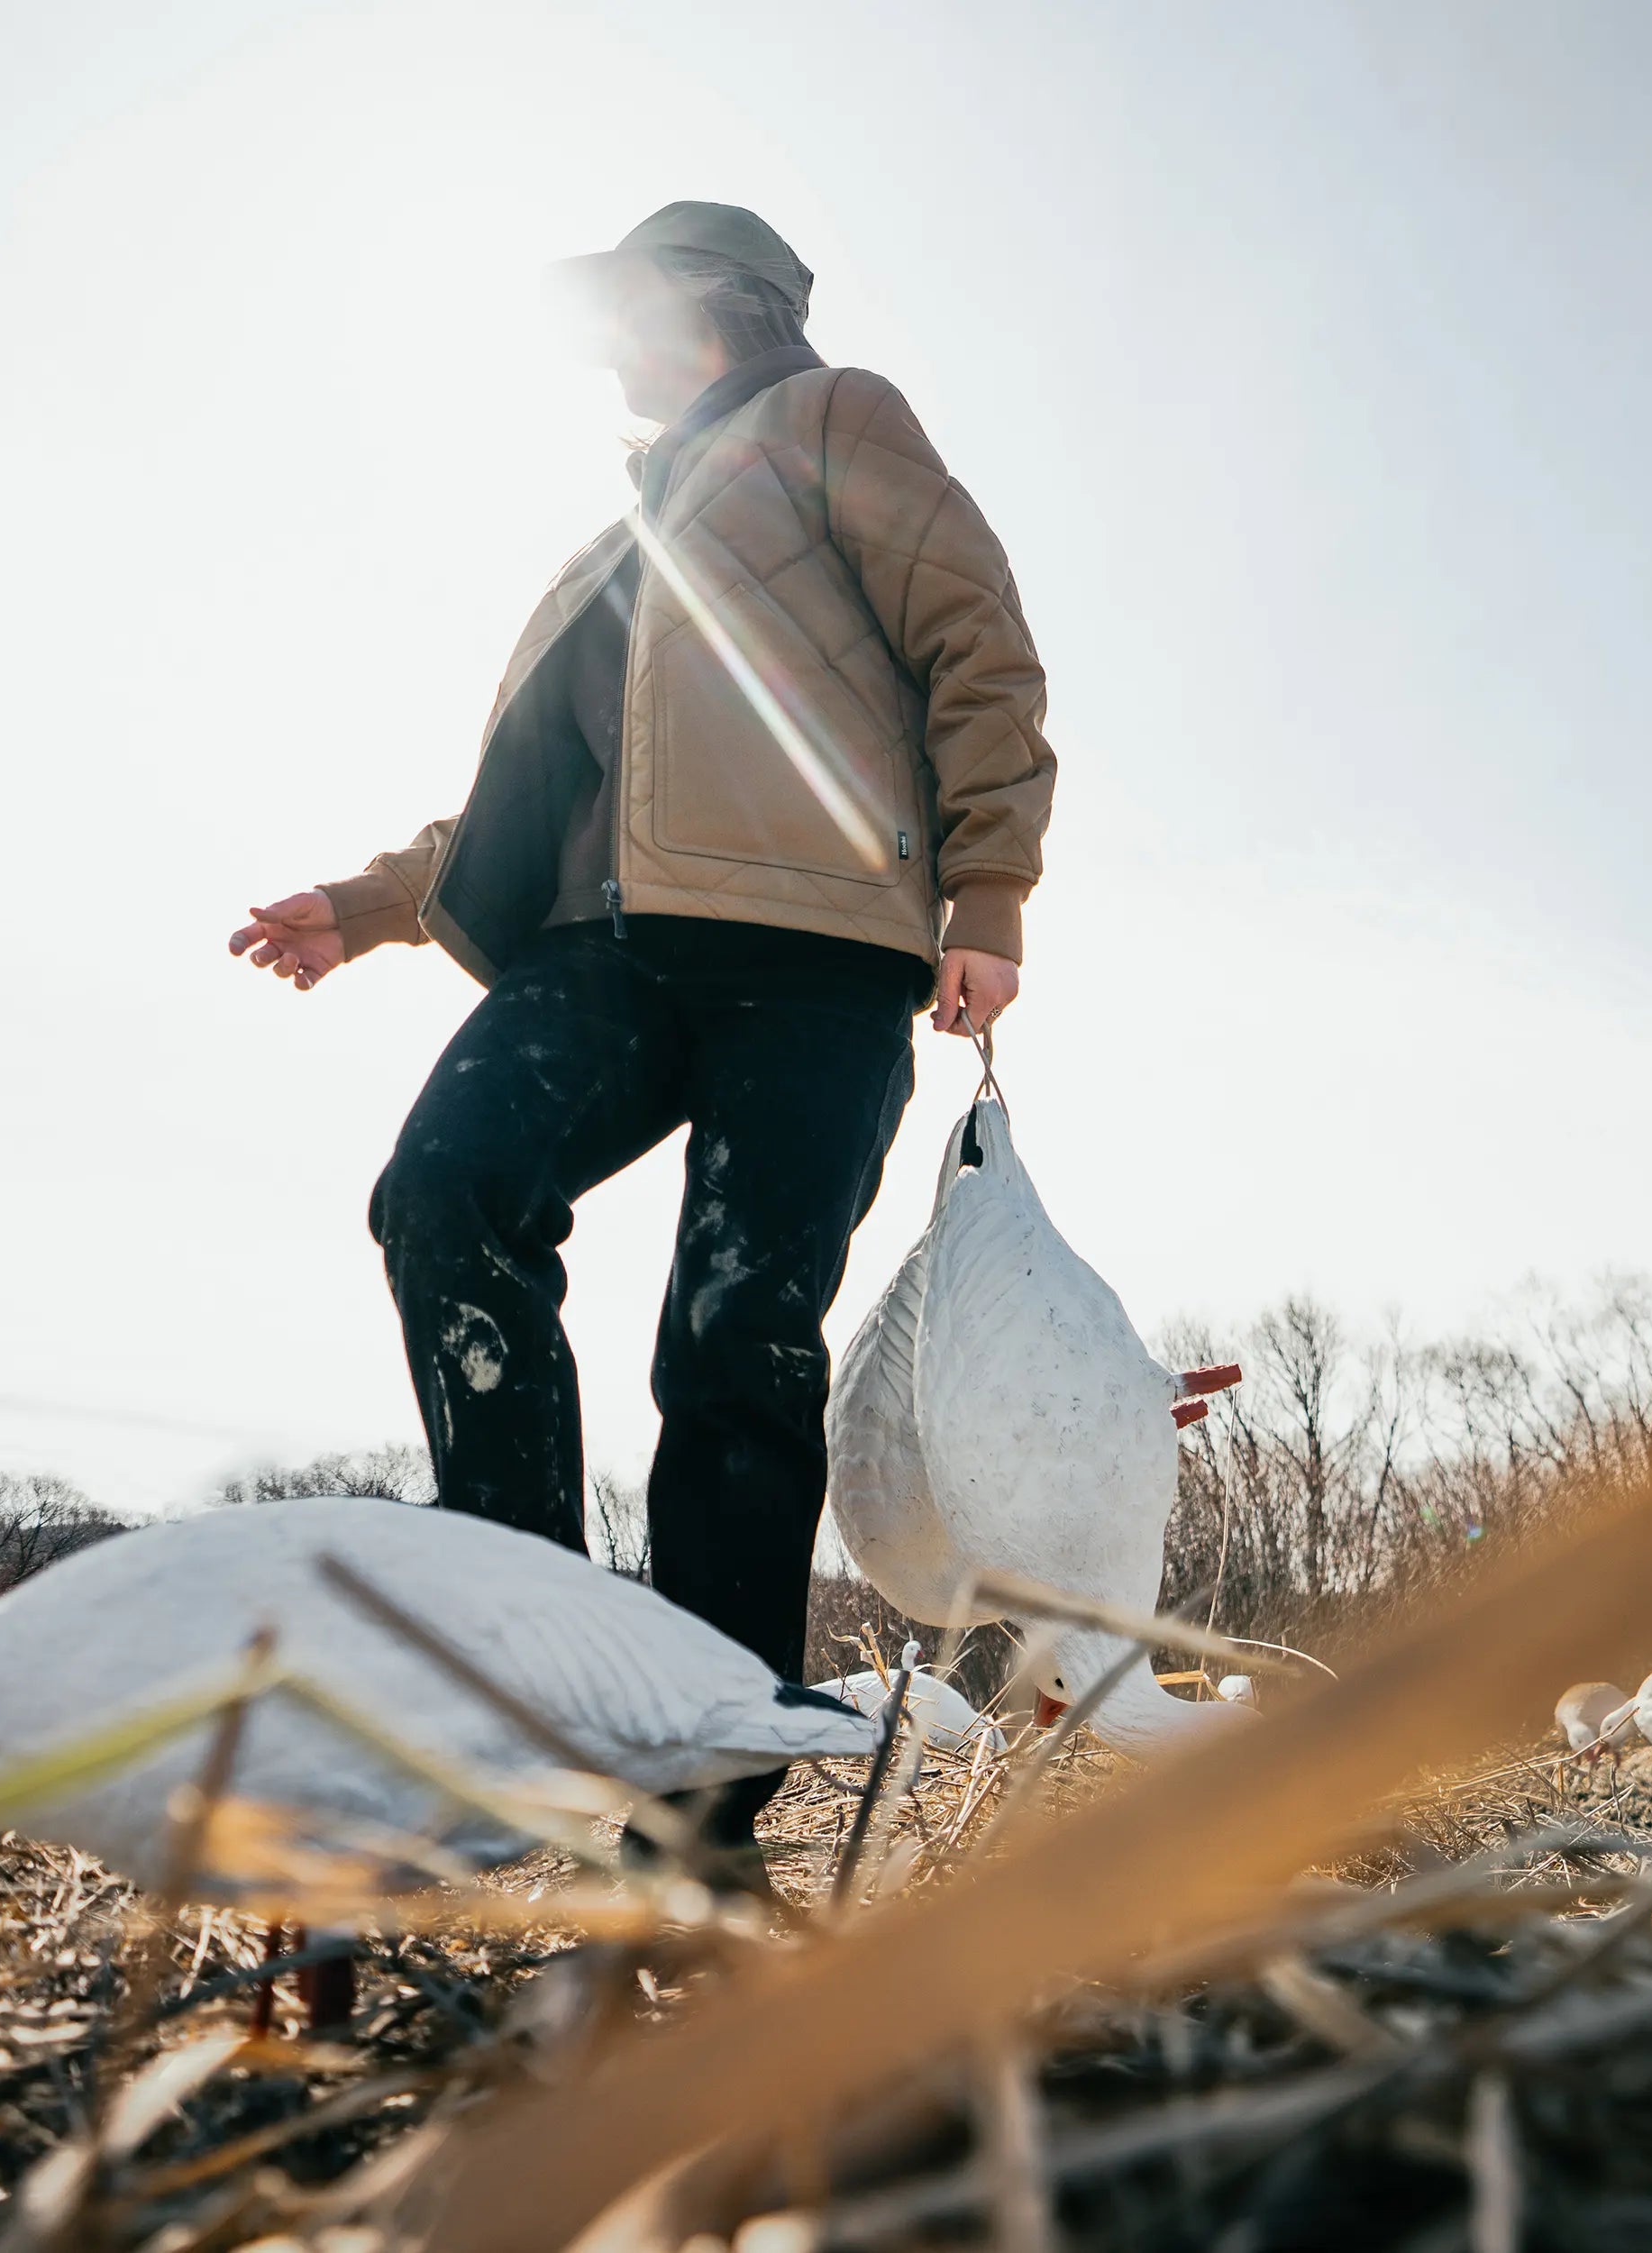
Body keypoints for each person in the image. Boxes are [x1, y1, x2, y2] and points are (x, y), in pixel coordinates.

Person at [230, 202, 1055, 1872]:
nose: (608, 336)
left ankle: (700, 1808)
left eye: (629, 302)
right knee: (445, 1194)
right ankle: (526, 1642)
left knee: (739, 1336)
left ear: (719, 302)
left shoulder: (835, 420)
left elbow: (977, 641)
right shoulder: (614, 543)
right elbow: (537, 796)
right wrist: (376, 903)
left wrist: (989, 891)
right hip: (603, 954)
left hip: (817, 956)